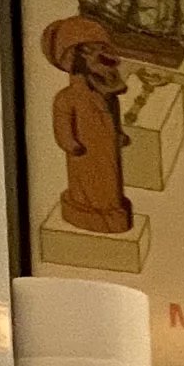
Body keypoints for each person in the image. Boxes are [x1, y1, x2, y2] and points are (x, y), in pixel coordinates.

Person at [42, 15, 133, 235]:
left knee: (109, 185)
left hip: (107, 151)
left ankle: (111, 212)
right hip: (85, 155)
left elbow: (114, 118)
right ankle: (89, 213)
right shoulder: (67, 98)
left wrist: (118, 134)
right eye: (92, 51)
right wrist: (70, 144)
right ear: (76, 58)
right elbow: (63, 126)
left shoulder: (108, 95)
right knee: (88, 187)